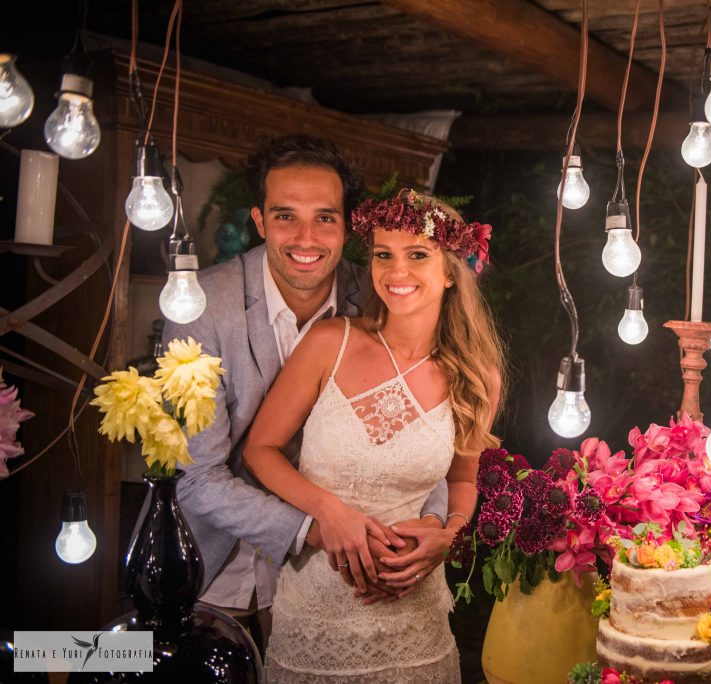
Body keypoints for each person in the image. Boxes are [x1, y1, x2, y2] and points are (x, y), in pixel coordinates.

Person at [151, 135, 449, 654]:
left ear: (347, 226)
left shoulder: (384, 294)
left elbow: (428, 425)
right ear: (260, 221)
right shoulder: (201, 308)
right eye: (285, 216)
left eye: (325, 218)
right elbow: (196, 477)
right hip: (217, 564)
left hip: (345, 580)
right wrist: (315, 524)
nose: (306, 237)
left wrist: (436, 523)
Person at [244, 189, 505, 682]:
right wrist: (329, 510)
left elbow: (464, 480)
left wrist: (448, 536)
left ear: (450, 271)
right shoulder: (329, 343)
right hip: (315, 610)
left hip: (417, 622)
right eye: (383, 254)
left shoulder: (477, 377)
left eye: (417, 255)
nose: (396, 271)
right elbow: (260, 450)